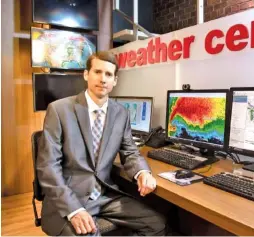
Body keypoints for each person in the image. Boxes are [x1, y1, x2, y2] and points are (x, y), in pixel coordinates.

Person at [37, 51, 166, 236]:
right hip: (69, 198)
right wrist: (74, 210)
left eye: (108, 74)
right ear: (86, 74)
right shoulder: (59, 110)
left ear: (115, 80)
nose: (103, 79)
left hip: (104, 196)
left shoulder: (121, 113)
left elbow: (130, 151)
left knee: (156, 223)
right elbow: (48, 166)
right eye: (97, 72)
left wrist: (142, 172)